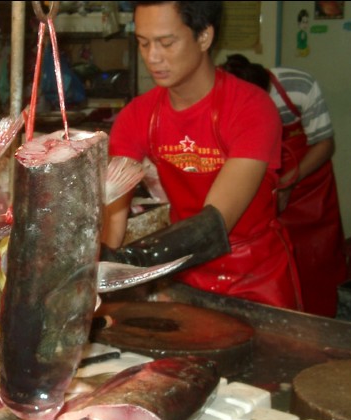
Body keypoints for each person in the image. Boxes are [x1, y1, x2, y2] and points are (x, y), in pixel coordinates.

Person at [101, 1, 302, 310]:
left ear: (205, 37)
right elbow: (114, 216)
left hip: (255, 276)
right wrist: (98, 273)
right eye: (143, 43)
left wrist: (130, 262)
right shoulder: (137, 117)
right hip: (184, 273)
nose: (152, 57)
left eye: (166, 43)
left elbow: (216, 221)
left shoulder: (252, 108)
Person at [221, 54, 348, 317]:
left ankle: (323, 325)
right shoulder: (221, 97)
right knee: (270, 264)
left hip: (309, 186)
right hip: (261, 182)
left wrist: (288, 183)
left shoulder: (298, 86)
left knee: (315, 264)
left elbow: (325, 144)